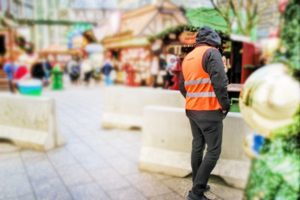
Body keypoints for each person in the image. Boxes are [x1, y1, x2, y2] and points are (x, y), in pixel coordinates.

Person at [179, 26, 230, 200]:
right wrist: (225, 105)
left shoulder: (188, 57)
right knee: (214, 151)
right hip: (209, 110)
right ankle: (196, 193)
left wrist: (193, 99)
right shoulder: (212, 53)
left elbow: (182, 86)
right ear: (214, 38)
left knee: (197, 146)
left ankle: (197, 182)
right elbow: (221, 82)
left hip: (192, 110)